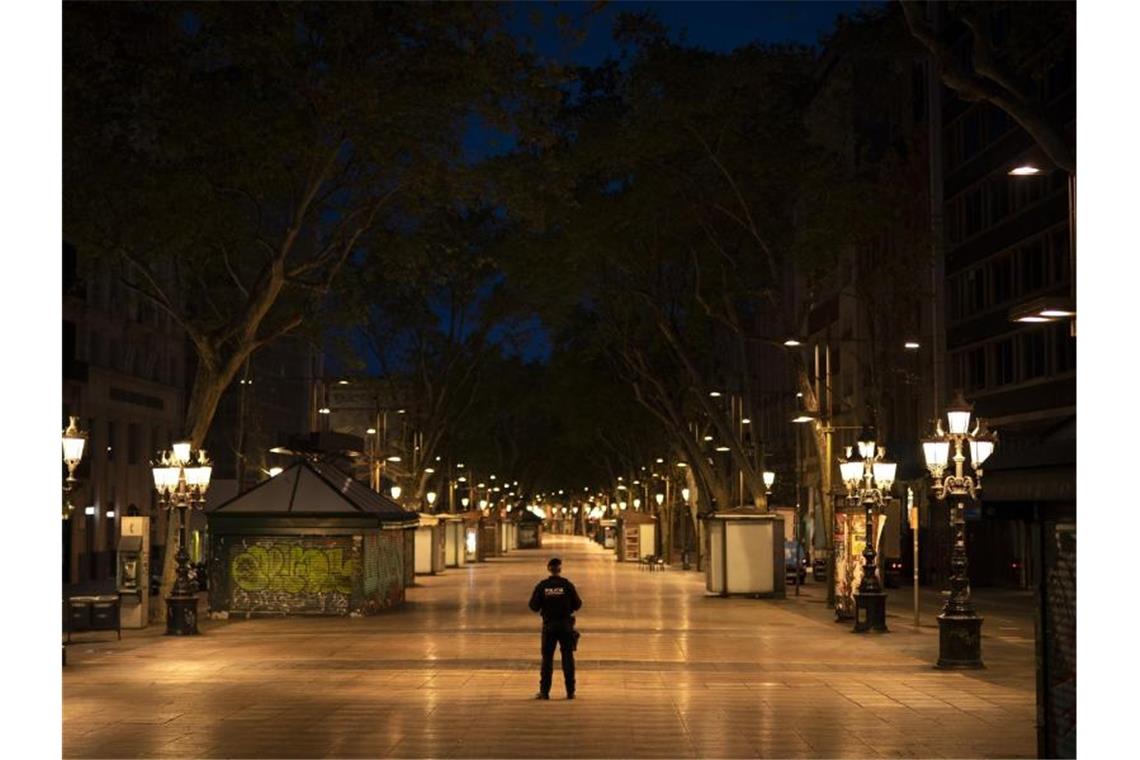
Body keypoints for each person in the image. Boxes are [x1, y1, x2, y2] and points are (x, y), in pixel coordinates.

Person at [528, 556, 582, 700]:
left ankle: (544, 691)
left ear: (549, 569)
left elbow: (533, 606)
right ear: (560, 569)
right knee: (568, 658)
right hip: (565, 626)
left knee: (547, 659)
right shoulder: (567, 585)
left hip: (549, 626)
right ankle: (570, 691)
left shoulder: (542, 586)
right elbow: (578, 604)